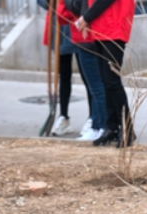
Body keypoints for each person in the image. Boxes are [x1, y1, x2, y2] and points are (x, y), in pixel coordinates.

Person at [67, 0, 135, 147]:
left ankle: (126, 128)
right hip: (100, 26)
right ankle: (111, 127)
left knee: (112, 82)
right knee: (105, 81)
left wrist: (86, 18)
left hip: (114, 25)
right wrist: (86, 18)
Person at [43, 0, 107, 141]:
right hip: (64, 28)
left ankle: (95, 121)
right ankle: (64, 116)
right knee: (65, 76)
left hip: (83, 31)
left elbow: (84, 6)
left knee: (91, 80)